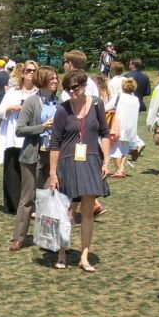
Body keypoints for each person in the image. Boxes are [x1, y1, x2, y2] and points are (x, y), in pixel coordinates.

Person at [47, 69, 110, 272]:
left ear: (84, 85)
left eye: (74, 87)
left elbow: (105, 133)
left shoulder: (98, 104)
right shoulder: (63, 109)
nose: (71, 91)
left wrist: (106, 161)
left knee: (88, 212)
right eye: (67, 88)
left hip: (91, 160)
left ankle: (84, 256)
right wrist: (53, 173)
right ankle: (62, 252)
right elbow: (55, 143)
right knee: (67, 212)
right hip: (67, 161)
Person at [11, 66, 58, 250]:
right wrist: (42, 127)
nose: (55, 81)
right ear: (43, 80)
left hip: (52, 155)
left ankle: (48, 238)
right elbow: (20, 129)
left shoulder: (60, 102)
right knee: (28, 198)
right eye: (52, 78)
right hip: (32, 155)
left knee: (50, 197)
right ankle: (19, 237)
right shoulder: (32, 102)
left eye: (56, 78)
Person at [0, 63, 30, 213]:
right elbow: (0, 111)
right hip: (12, 135)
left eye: (34, 71)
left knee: (28, 173)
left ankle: (28, 203)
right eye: (28, 71)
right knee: (12, 171)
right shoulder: (13, 92)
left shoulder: (39, 93)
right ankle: (12, 204)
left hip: (30, 136)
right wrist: (12, 108)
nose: (31, 73)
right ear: (22, 73)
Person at [106, 78, 141, 178]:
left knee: (115, 148)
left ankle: (118, 170)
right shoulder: (135, 99)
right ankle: (122, 168)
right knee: (125, 149)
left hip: (118, 125)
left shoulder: (119, 96)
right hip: (131, 126)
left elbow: (107, 107)